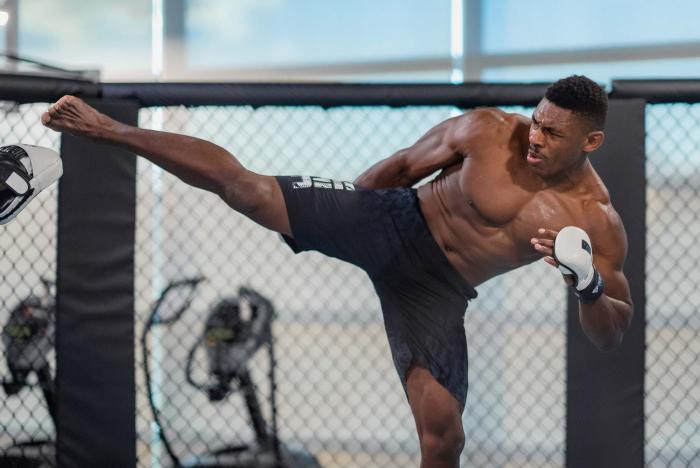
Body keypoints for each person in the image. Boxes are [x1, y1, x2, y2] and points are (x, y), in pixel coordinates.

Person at [41, 75, 633, 468]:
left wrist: (588, 286)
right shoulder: (486, 129)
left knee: (444, 432)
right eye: (536, 120)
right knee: (247, 189)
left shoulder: (595, 220)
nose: (535, 137)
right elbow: (401, 167)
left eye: (553, 133)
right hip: (394, 220)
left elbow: (612, 333)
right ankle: (108, 129)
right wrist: (332, 219)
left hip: (437, 289)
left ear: (593, 141)